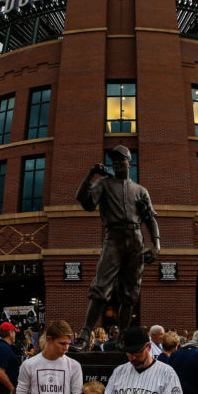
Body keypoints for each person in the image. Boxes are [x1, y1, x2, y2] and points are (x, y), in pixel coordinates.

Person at [72, 145, 161, 350]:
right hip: (113, 237)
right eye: (114, 161)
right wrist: (90, 174)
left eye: (121, 160)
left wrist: (156, 245)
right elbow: (84, 202)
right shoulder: (103, 183)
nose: (117, 163)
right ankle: (86, 335)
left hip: (136, 239)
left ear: (130, 162)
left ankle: (122, 337)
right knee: (101, 287)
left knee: (130, 294)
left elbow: (150, 219)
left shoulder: (140, 190)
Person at [16, 319, 83, 394]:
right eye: (62, 343)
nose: (66, 348)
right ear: (49, 339)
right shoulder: (29, 364)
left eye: (69, 343)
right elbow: (20, 393)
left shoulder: (74, 366)